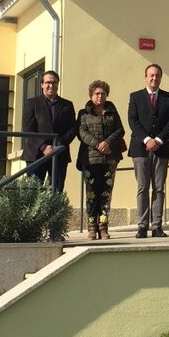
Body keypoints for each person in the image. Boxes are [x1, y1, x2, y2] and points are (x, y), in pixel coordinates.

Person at [127, 64, 169, 239]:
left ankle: (156, 226)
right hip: (140, 149)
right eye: (151, 75)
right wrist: (147, 139)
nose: (154, 78)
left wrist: (159, 140)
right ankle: (142, 226)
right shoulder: (135, 97)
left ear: (161, 78)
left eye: (157, 75)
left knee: (159, 188)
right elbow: (133, 121)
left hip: (161, 149)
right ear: (145, 77)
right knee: (142, 188)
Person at [75, 80, 125, 240]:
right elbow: (81, 133)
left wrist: (108, 143)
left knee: (105, 194)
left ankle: (103, 227)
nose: (100, 96)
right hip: (90, 160)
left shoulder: (112, 112)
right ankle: (92, 227)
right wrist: (98, 145)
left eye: (103, 93)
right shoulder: (83, 113)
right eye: (97, 93)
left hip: (110, 159)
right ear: (91, 95)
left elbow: (120, 130)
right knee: (91, 194)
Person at [21, 70, 77, 190]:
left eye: (54, 82)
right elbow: (28, 130)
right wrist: (43, 146)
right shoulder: (32, 103)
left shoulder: (67, 105)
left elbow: (73, 129)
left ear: (58, 84)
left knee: (56, 192)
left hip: (59, 154)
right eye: (47, 82)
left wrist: (59, 144)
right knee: (33, 193)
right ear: (42, 84)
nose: (51, 85)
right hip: (36, 155)